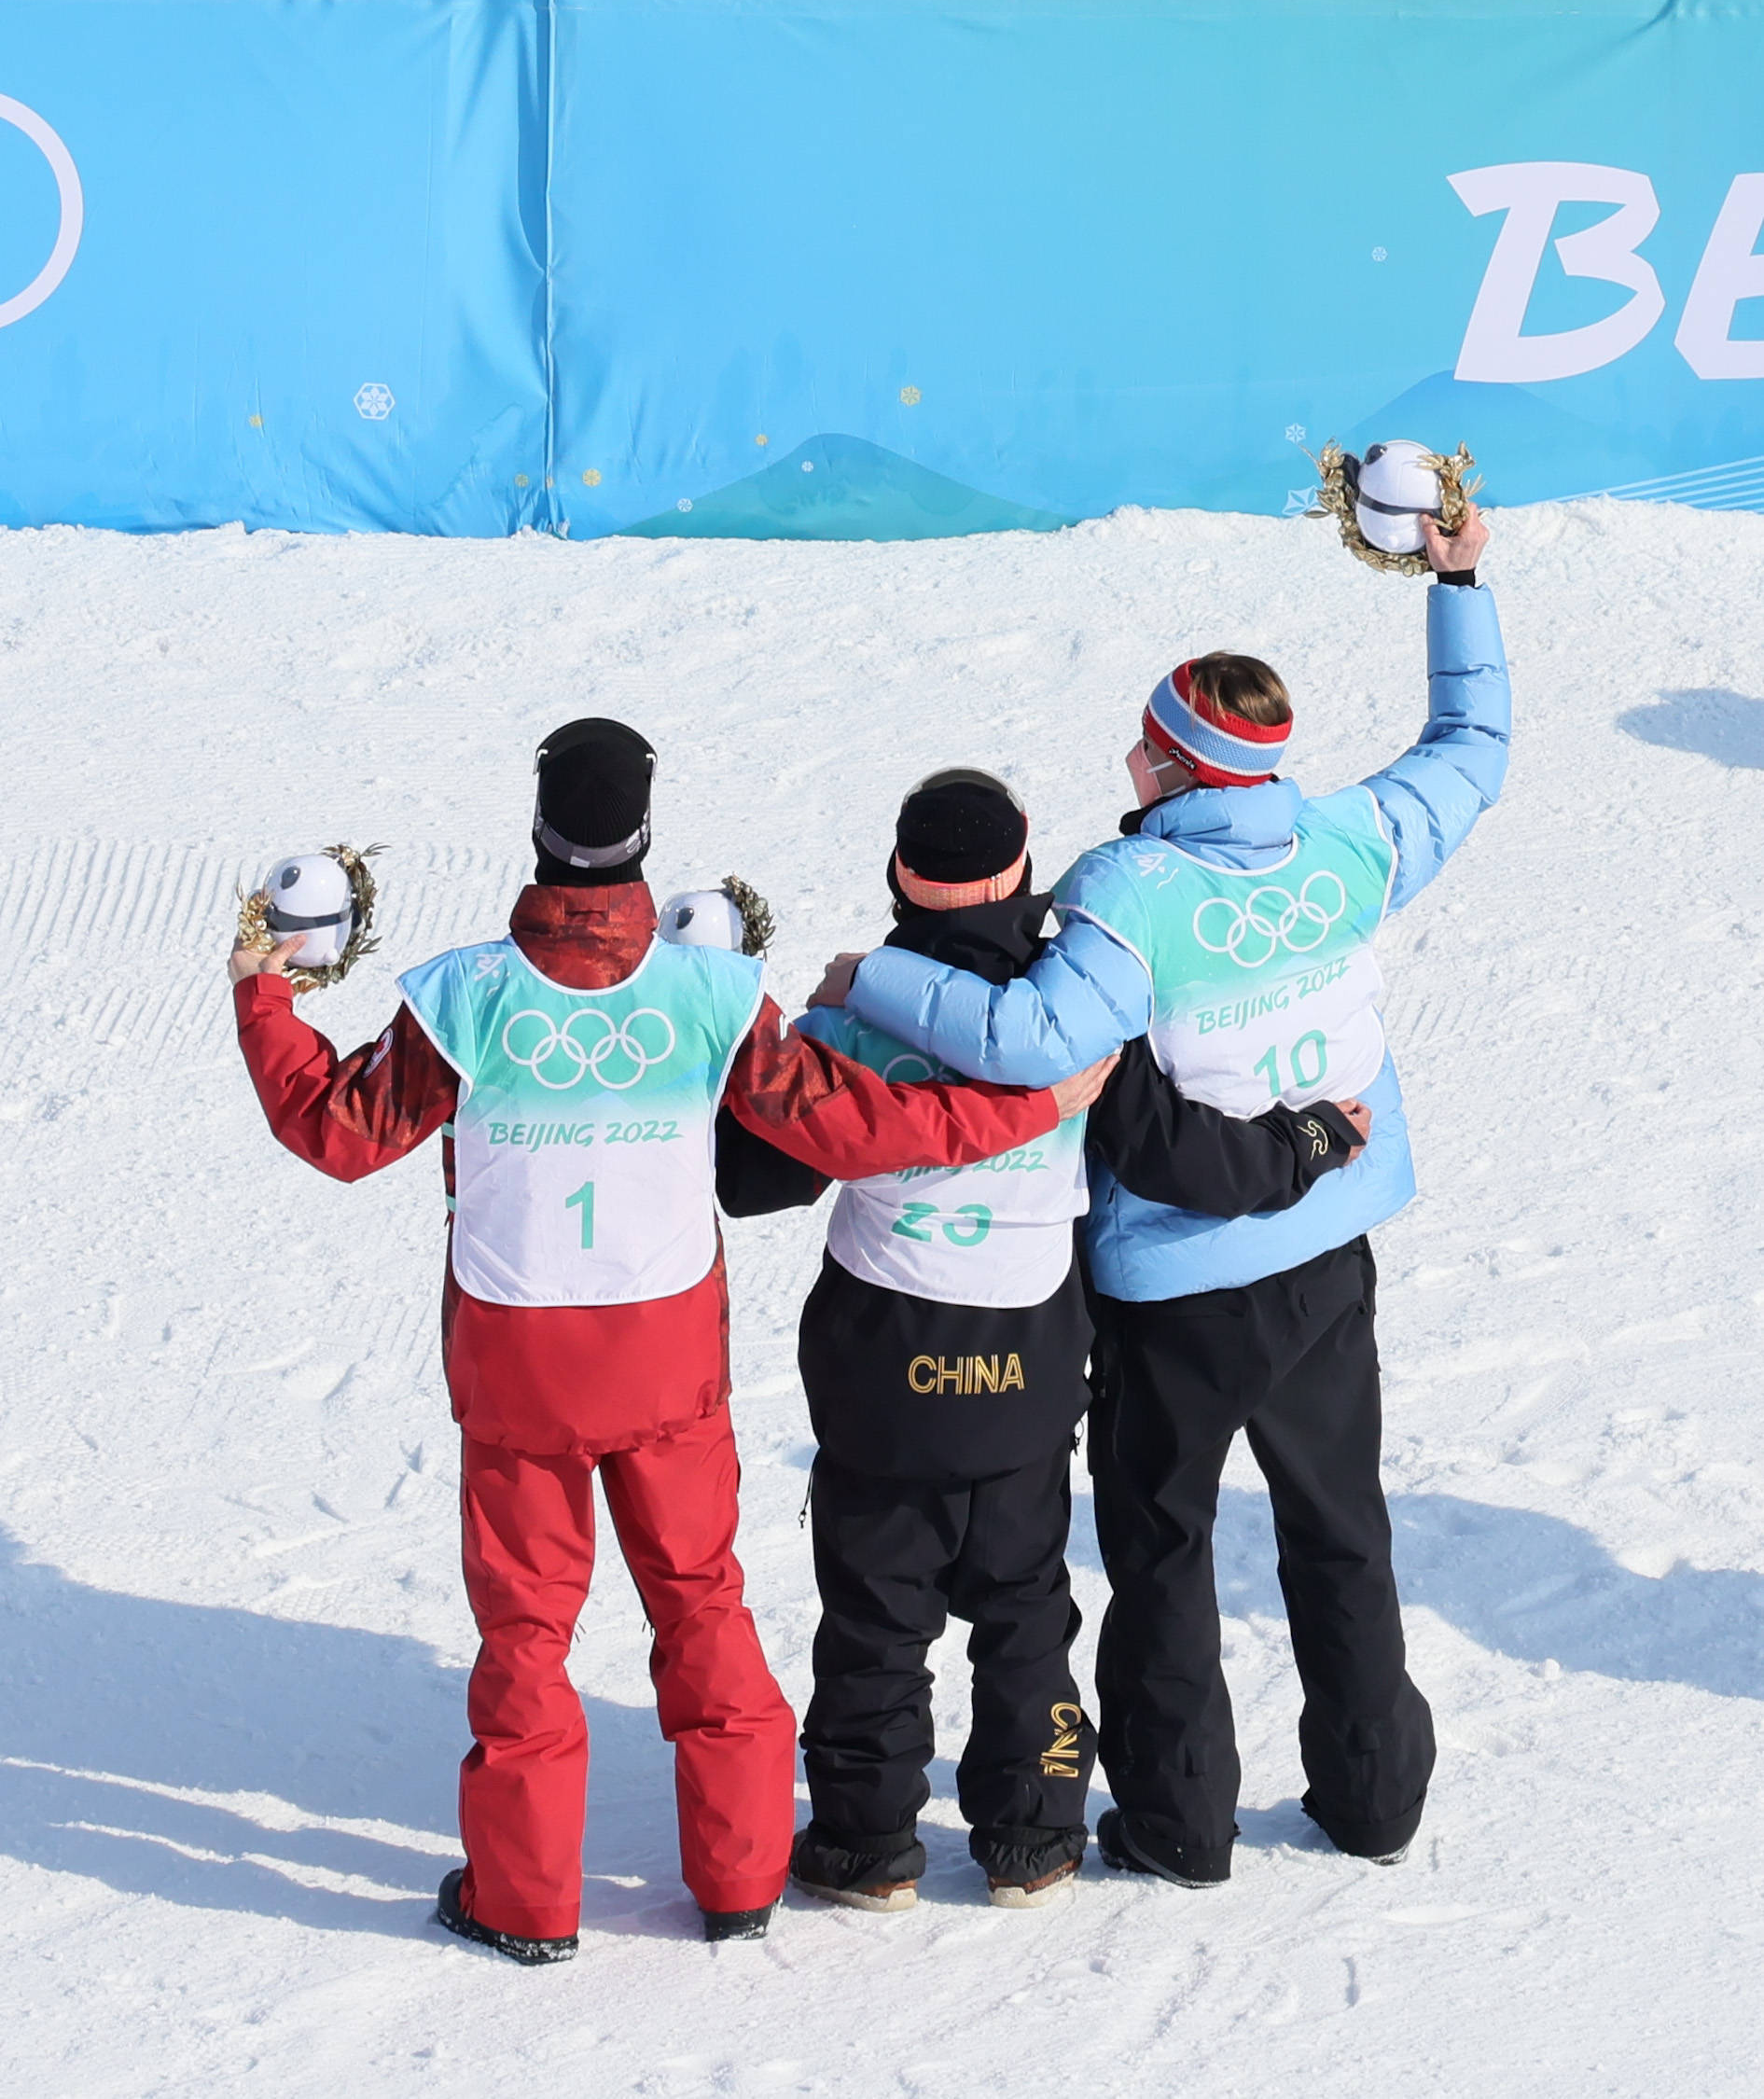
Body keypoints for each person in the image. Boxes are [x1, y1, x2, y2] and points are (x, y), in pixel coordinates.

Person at [229, 717, 1114, 1961]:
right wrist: (1028, 1101)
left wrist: (262, 985)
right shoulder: (709, 994)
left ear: (539, 833)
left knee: (527, 1633)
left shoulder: (461, 996)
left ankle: (523, 1900)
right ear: (643, 837)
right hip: (663, 1362)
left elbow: (335, 1129)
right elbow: (854, 1126)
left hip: (517, 1360)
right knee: (700, 1601)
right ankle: (740, 1877)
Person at [807, 503, 1506, 1888]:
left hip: (1177, 1283)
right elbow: (1469, 750)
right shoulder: (1353, 838)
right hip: (1326, 1249)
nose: (1127, 756)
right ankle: (1370, 1801)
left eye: (1143, 741)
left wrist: (864, 978)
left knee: (1162, 1552)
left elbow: (1020, 1046)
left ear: (1181, 762)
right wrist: (1458, 581)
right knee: (1338, 1525)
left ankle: (1180, 1822)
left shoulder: (1125, 892)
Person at [721, 765, 1370, 1914]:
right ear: (1023, 872)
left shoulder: (848, 1026)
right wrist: (1305, 1139)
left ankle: (865, 1841)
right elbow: (1182, 1155)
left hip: (882, 1379)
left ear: (899, 881)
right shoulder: (1077, 1036)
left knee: (874, 1618)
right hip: (1026, 1377)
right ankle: (1033, 1836)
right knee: (1025, 1612)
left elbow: (751, 1174)